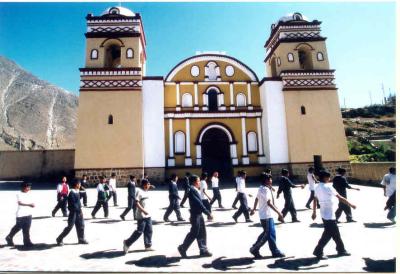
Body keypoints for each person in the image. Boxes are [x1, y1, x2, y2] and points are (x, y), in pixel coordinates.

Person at [312, 170, 355, 260]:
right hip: (329, 214)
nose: (329, 179)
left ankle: (341, 249)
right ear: (325, 178)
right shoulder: (328, 187)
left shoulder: (317, 187)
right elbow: (340, 197)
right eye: (328, 177)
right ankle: (318, 251)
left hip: (324, 213)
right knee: (328, 234)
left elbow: (315, 200)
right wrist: (350, 204)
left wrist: (314, 212)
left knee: (335, 233)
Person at [249, 173, 285, 259]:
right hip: (266, 215)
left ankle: (274, 251)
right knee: (267, 234)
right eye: (270, 179)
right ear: (266, 180)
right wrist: (279, 213)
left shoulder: (261, 188)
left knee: (271, 233)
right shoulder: (265, 190)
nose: (271, 181)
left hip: (266, 215)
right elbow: (269, 203)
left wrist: (254, 209)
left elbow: (257, 198)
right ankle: (254, 248)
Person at [178, 175, 213, 258]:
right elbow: (198, 203)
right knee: (194, 232)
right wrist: (208, 212)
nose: (199, 182)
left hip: (198, 214)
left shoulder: (194, 189)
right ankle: (183, 247)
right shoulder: (192, 190)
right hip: (195, 214)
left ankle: (203, 249)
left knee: (202, 232)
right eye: (198, 181)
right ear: (194, 182)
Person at [123, 179, 154, 253]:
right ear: (144, 185)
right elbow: (136, 202)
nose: (149, 185)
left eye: (149, 184)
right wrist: (143, 211)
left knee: (149, 230)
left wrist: (151, 186)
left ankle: (148, 245)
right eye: (148, 184)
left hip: (148, 215)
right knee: (139, 231)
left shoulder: (146, 192)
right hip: (141, 215)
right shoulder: (139, 191)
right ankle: (127, 243)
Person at [56, 180, 88, 246]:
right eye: (79, 184)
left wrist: (80, 211)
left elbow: (79, 203)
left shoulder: (77, 192)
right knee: (69, 227)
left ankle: (81, 239)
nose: (80, 185)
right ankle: (59, 239)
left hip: (79, 211)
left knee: (81, 225)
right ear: (76, 185)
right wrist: (78, 210)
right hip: (73, 213)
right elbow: (73, 205)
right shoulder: (71, 193)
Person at [5, 182, 35, 248]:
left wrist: (32, 204)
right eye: (27, 187)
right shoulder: (18, 194)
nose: (29, 189)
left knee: (25, 229)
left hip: (28, 214)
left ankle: (26, 242)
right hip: (21, 214)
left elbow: (32, 201)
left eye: (29, 187)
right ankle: (10, 237)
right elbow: (20, 203)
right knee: (19, 228)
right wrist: (29, 204)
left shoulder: (29, 194)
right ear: (23, 187)